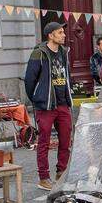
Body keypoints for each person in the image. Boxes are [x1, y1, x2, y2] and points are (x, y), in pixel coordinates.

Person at [25, 21, 74, 190]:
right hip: (45, 105)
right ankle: (43, 177)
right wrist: (36, 98)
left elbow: (68, 75)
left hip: (62, 103)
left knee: (66, 139)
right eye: (60, 32)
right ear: (50, 35)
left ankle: (61, 172)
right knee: (44, 141)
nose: (64, 35)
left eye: (63, 32)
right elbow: (30, 79)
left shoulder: (64, 52)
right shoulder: (39, 53)